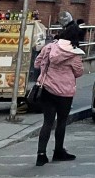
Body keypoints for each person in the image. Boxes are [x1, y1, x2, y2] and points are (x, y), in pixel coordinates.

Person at [33, 23, 86, 166]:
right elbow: (79, 72)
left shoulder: (49, 47)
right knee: (61, 122)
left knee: (47, 122)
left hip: (47, 89)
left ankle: (41, 155)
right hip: (65, 92)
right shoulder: (75, 53)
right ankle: (58, 151)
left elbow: (37, 64)